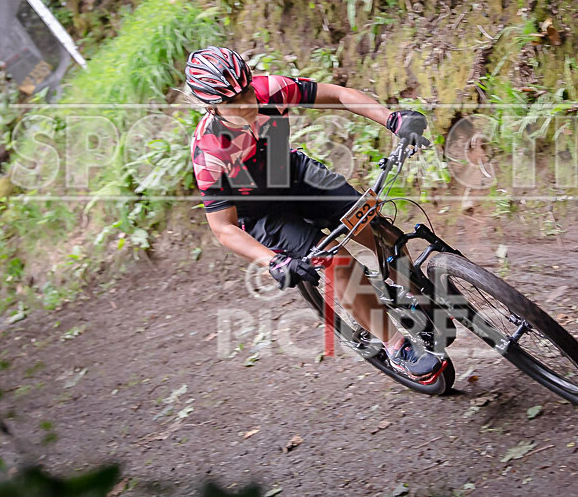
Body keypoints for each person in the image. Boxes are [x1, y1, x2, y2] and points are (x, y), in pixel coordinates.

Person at [184, 46, 440, 378]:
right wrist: (272, 261)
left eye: (247, 90)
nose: (247, 102)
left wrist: (393, 119)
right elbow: (223, 228)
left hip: (292, 174)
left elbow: (341, 96)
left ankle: (418, 297)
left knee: (378, 231)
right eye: (232, 101)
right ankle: (395, 347)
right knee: (339, 263)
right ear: (211, 106)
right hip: (262, 212)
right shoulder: (210, 151)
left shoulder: (270, 90)